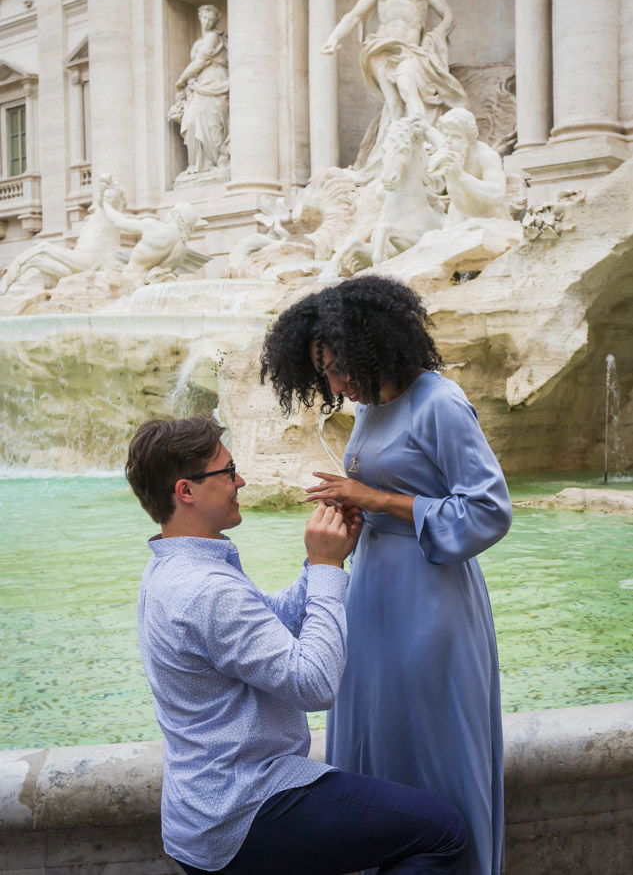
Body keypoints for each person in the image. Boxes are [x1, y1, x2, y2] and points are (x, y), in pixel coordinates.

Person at [126, 415, 467, 875]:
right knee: (444, 832)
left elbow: (268, 624)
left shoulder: (173, 569)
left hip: (204, 811)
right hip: (245, 806)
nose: (240, 480)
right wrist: (326, 568)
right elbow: (314, 685)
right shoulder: (207, 589)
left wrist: (324, 561)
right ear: (186, 491)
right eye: (227, 472)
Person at [260, 276, 513, 875]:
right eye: (323, 372)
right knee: (375, 737)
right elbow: (390, 492)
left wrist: (374, 498)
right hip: (370, 591)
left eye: (340, 367)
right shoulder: (370, 406)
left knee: (432, 743)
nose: (335, 384)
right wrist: (353, 516)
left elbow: (489, 510)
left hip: (430, 603)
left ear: (376, 347)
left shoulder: (440, 403)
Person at [322, 0, 466, 178]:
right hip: (380, 48)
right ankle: (386, 159)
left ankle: (422, 146)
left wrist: (437, 36)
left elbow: (449, 16)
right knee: (393, 102)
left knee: (408, 90)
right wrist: (334, 37)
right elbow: (355, 15)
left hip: (411, 50)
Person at [168, 3, 230, 175]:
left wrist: (181, 80)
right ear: (199, 18)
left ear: (215, 21)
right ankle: (198, 164)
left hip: (215, 80)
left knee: (213, 122)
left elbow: (201, 61)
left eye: (211, 19)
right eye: (204, 17)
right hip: (199, 84)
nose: (207, 22)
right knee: (192, 121)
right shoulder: (198, 42)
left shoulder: (212, 38)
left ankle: (215, 161)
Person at [424, 108, 510, 226]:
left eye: (455, 136)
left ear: (470, 138)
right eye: (445, 135)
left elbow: (497, 195)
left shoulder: (486, 155)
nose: (448, 142)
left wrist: (461, 175)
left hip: (487, 222)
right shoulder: (451, 152)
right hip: (456, 219)